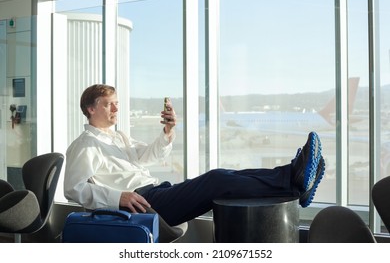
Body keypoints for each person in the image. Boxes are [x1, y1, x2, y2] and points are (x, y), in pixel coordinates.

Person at [64, 84, 325, 228]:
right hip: (141, 204)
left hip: (156, 193)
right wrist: (117, 196)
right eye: (109, 103)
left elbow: (147, 155)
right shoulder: (85, 145)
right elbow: (73, 189)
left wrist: (168, 131)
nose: (116, 108)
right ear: (90, 108)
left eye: (117, 102)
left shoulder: (117, 137)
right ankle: (292, 178)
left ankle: (292, 181)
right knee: (217, 180)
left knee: (224, 178)